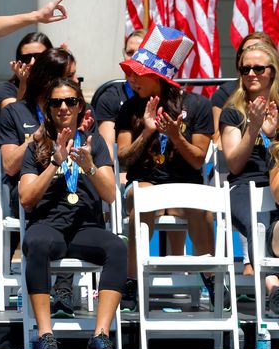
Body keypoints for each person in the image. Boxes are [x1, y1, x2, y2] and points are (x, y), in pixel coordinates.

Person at [19, 78, 125, 349]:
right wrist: (55, 161)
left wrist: (89, 166)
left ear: (80, 105)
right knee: (37, 242)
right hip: (48, 225)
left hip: (85, 228)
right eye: (56, 102)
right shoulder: (36, 146)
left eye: (70, 101)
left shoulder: (95, 142)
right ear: (49, 108)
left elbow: (111, 195)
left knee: (117, 247)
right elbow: (26, 199)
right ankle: (45, 335)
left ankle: (100, 337)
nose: (64, 107)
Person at [117, 25, 216, 312]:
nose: (131, 78)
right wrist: (147, 133)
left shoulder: (197, 106)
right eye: (130, 72)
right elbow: (123, 159)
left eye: (138, 73)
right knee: (143, 201)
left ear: (158, 77)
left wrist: (175, 136)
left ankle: (211, 276)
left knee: (202, 210)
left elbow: (198, 159)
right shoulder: (129, 109)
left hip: (185, 186)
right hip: (146, 182)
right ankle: (133, 281)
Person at [0, 47, 92, 317]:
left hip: (71, 188)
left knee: (77, 200)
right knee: (61, 203)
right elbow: (10, 165)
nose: (75, 83)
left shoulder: (76, 109)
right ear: (50, 79)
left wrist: (84, 138)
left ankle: (62, 289)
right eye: (69, 76)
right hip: (31, 189)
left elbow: (96, 155)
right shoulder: (16, 112)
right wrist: (37, 137)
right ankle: (56, 290)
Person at [220, 43, 279, 313]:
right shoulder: (232, 112)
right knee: (258, 227)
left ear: (273, 72)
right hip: (245, 185)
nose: (251, 73)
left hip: (277, 183)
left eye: (259, 68)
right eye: (245, 69)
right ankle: (274, 289)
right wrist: (254, 127)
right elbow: (234, 163)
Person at [211, 32, 276, 141]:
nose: (251, 74)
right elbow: (218, 140)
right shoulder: (226, 95)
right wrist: (253, 129)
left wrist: (271, 136)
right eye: (247, 50)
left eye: (259, 68)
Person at [94, 29, 146, 156]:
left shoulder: (164, 95)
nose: (134, 58)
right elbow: (108, 154)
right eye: (129, 53)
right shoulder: (110, 97)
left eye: (140, 53)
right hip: (124, 171)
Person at [0, 32, 54, 112]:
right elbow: (13, 116)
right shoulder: (8, 89)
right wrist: (23, 82)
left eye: (39, 57)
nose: (32, 62)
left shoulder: (57, 84)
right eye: (26, 58)